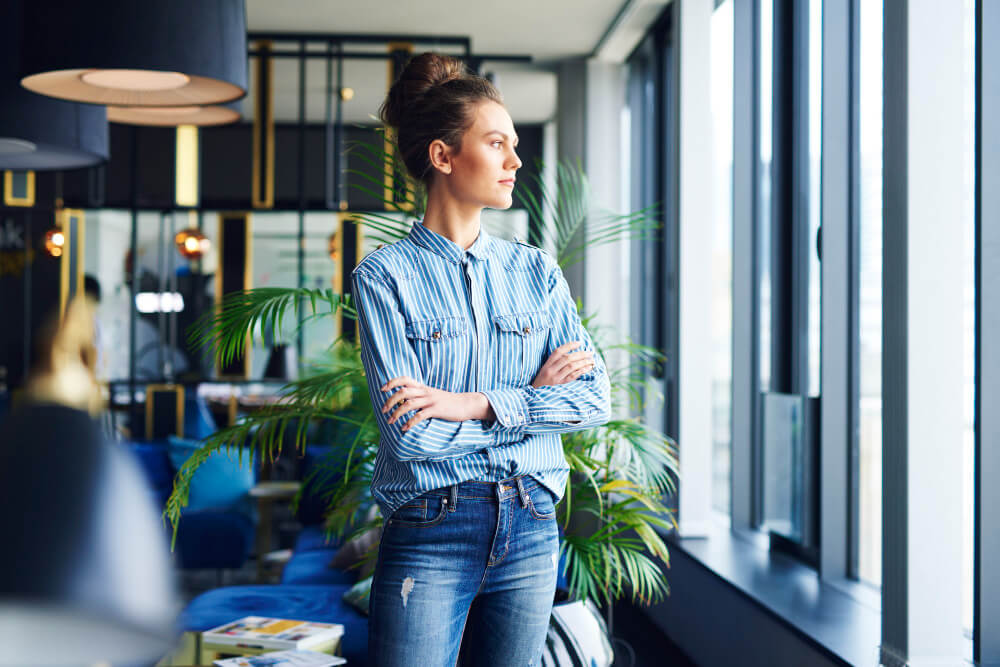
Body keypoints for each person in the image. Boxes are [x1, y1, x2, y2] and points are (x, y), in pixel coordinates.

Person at [350, 52, 611, 667]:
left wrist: (476, 404)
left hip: (532, 525)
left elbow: (595, 399)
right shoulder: (384, 277)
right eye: (497, 144)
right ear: (444, 156)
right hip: (430, 529)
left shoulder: (537, 273)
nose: (515, 161)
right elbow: (412, 436)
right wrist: (532, 405)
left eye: (514, 145)